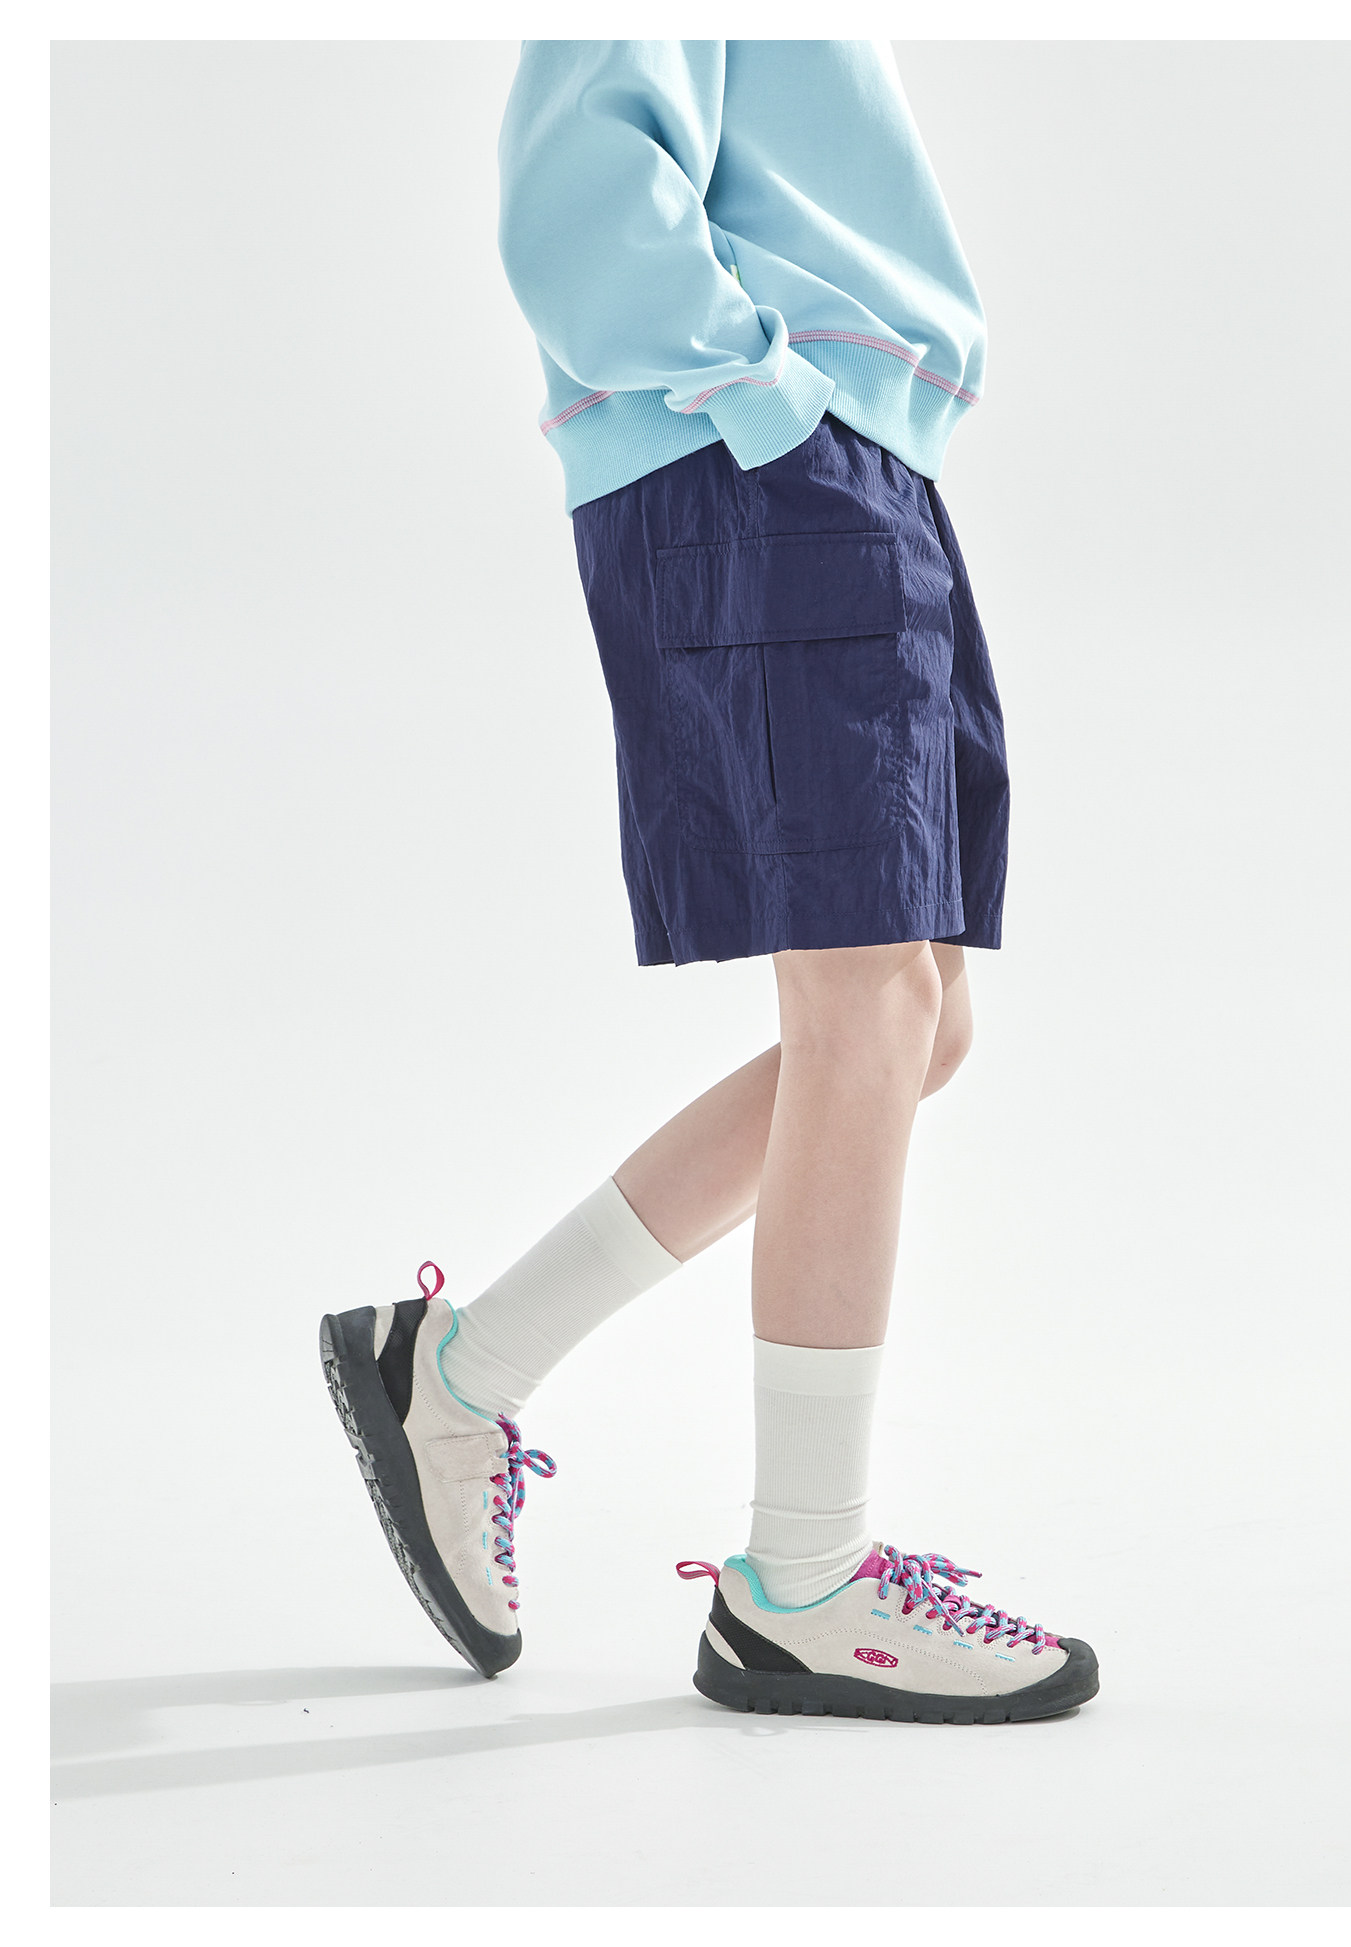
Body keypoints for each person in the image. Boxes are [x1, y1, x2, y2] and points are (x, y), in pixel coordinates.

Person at [320, 38, 1098, 1725]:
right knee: (867, 1006)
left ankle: (459, 1371)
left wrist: (831, 423)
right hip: (768, 453)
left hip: (847, 454)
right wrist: (765, 402)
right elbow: (575, 191)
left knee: (918, 1019)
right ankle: (803, 1580)